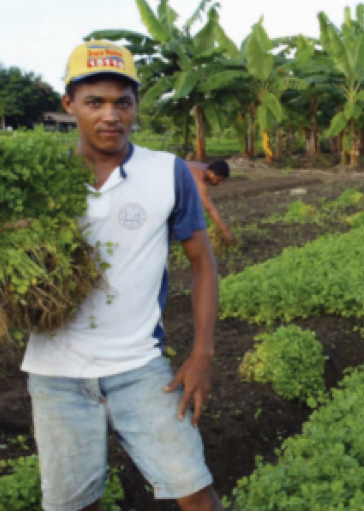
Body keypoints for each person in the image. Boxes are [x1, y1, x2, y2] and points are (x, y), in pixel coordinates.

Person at [20, 41, 224, 511]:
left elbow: (203, 264)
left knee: (195, 491)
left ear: (136, 107)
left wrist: (202, 354)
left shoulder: (167, 172)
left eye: (122, 102)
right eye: (95, 102)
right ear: (69, 104)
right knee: (74, 505)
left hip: (140, 367)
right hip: (55, 374)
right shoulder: (41, 179)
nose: (110, 115)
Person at [184, 158, 235, 246]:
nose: (218, 183)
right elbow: (210, 208)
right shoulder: (199, 181)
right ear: (211, 172)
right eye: (218, 179)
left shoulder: (204, 167)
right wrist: (225, 231)